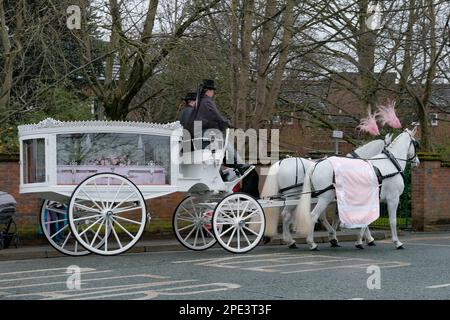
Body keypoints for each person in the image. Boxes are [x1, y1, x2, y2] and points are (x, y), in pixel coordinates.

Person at [187, 79, 260, 198]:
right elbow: (217, 116)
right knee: (247, 169)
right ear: (208, 91)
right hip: (212, 140)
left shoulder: (198, 104)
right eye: (213, 91)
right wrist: (227, 123)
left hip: (203, 141)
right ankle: (248, 193)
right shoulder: (207, 101)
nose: (213, 93)